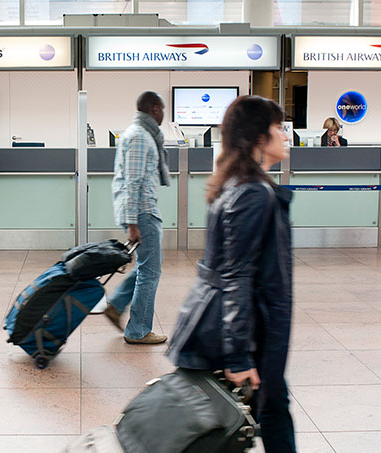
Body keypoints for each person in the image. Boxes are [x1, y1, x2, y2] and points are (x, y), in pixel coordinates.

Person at [167, 96, 296, 452]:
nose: (286, 136)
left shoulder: (233, 185)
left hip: (229, 326)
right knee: (244, 423)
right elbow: (236, 276)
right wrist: (239, 356)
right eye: (278, 128)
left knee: (269, 413)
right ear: (258, 137)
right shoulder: (254, 194)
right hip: (244, 333)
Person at [103, 91, 169, 345]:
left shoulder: (139, 133)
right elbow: (133, 182)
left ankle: (117, 305)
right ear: (154, 109)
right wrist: (132, 223)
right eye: (162, 109)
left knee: (147, 267)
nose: (164, 114)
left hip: (141, 210)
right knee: (151, 272)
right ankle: (138, 331)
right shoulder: (141, 137)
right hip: (142, 212)